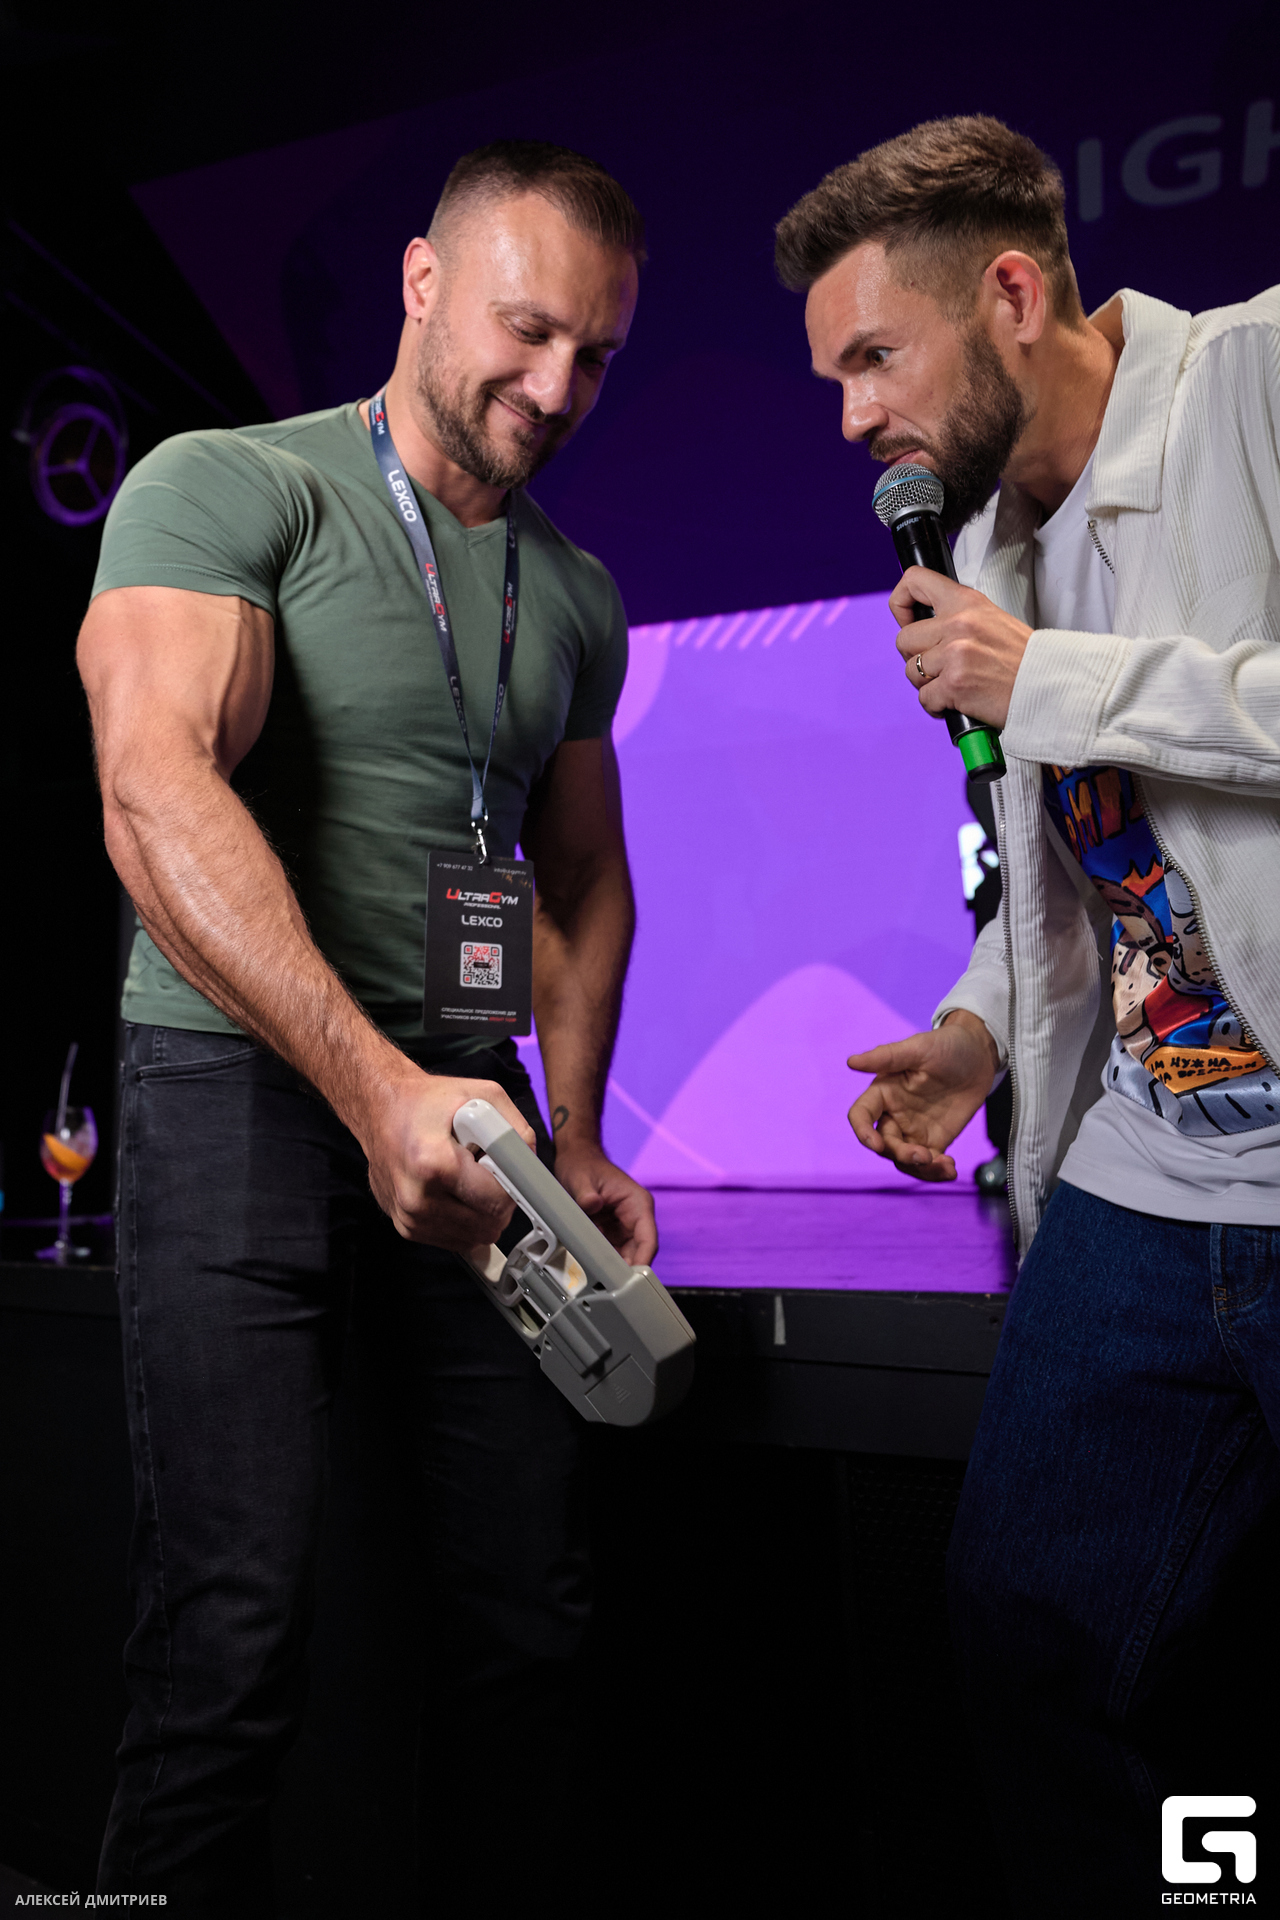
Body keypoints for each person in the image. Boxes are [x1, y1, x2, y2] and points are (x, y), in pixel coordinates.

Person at [78, 139, 656, 1913]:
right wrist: (369, 1082)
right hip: (235, 1089)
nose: (553, 387)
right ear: (421, 280)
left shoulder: (574, 590)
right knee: (233, 1631)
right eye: (524, 329)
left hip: (471, 1112)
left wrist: (572, 1133)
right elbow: (153, 783)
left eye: (595, 356)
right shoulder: (228, 485)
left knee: (527, 1616)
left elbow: (583, 879)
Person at [776, 116, 1280, 1911]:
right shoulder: (985, 545)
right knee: (1031, 1630)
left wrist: (1049, 672)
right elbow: (1098, 869)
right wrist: (979, 1029)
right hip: (1156, 1164)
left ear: (1008, 294)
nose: (852, 417)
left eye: (873, 359)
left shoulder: (1257, 381)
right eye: (835, 380)